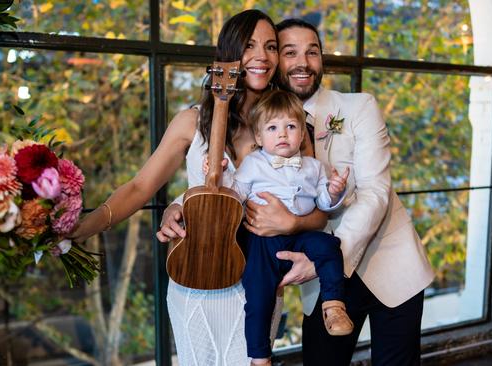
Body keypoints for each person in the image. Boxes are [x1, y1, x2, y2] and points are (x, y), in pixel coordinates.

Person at [69, 10, 327, 366]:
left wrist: (292, 224)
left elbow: (319, 212)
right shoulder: (191, 120)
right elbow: (140, 186)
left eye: (271, 46)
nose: (261, 56)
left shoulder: (291, 126)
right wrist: (80, 228)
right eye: (249, 45)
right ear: (227, 54)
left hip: (258, 282)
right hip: (196, 277)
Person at [273, 18, 436, 365]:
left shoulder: (360, 106)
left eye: (312, 52)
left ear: (321, 60)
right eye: (291, 52)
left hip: (391, 265)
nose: (303, 62)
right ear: (276, 61)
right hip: (322, 282)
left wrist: (324, 260)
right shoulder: (265, 123)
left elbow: (375, 192)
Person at [202, 89, 353, 365]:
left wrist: (333, 191)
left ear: (302, 134)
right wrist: (221, 174)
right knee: (259, 298)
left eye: (291, 126)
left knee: (330, 246)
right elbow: (235, 194)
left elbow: (323, 203)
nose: (282, 134)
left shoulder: (315, 167)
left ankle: (333, 305)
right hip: (262, 241)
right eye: (272, 128)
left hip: (300, 236)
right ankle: (260, 357)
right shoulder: (253, 164)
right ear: (259, 137)